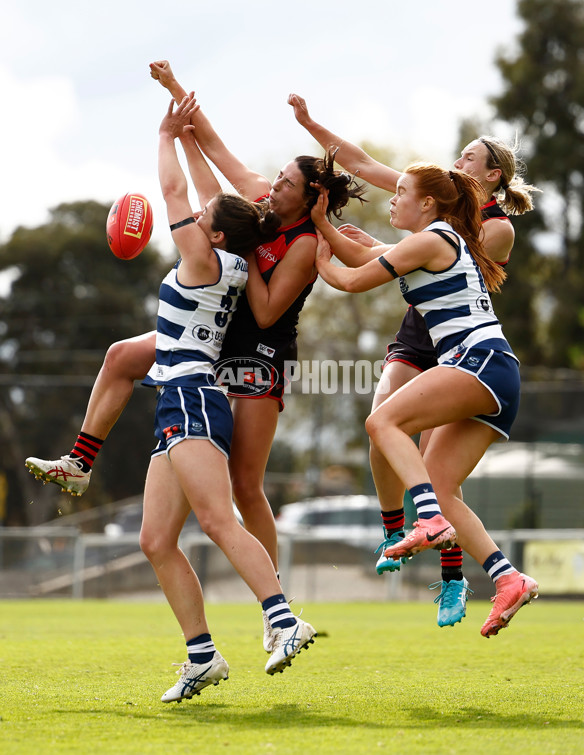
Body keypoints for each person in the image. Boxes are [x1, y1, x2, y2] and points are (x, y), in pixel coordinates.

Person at [26, 62, 364, 652]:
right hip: (213, 333)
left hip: (255, 351)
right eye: (278, 177)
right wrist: (179, 106)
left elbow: (263, 312)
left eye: (285, 180)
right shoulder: (256, 206)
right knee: (122, 355)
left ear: (309, 195)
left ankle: (274, 604)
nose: (272, 183)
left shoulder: (305, 241)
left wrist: (228, 260)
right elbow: (214, 165)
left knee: (245, 488)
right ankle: (81, 461)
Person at [288, 93, 539, 627]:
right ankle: (507, 577)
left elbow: (354, 278)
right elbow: (373, 255)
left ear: (429, 202)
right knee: (442, 486)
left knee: (383, 421)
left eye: (401, 191)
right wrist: (326, 231)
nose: (391, 195)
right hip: (492, 367)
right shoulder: (436, 234)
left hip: (474, 358)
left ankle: (420, 523)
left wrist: (319, 249)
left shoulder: (446, 234)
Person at [139, 94, 317, 702]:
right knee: (155, 540)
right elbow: (206, 195)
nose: (196, 212)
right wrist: (188, 134)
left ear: (211, 232)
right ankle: (201, 655)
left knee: (218, 518)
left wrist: (166, 136)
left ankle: (284, 618)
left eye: (205, 214)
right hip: (179, 396)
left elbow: (174, 196)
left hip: (190, 394)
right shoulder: (232, 260)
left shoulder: (204, 258)